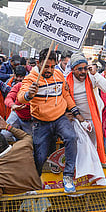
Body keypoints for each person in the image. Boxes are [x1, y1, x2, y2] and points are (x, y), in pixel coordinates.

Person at [18, 49, 86, 193]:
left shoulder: (58, 74)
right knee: (40, 156)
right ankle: (35, 180)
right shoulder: (31, 79)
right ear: (38, 63)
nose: (49, 70)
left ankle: (68, 176)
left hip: (60, 118)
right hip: (40, 122)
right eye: (46, 66)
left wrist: (76, 112)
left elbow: (66, 95)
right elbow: (20, 97)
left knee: (71, 137)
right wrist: (29, 94)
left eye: (52, 66)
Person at [66, 53, 106, 165]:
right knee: (80, 146)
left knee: (94, 145)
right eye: (79, 69)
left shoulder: (92, 77)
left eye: (85, 68)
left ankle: (94, 167)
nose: (83, 72)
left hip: (94, 118)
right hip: (78, 120)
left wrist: (95, 74)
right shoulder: (67, 82)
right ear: (73, 69)